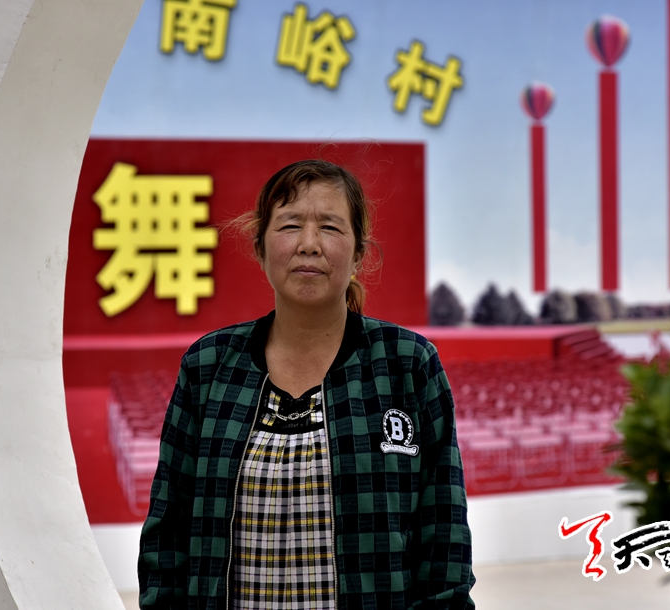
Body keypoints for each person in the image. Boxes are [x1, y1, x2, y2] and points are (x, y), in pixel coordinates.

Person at [138, 159, 476, 609]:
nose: (309, 245)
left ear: (359, 255)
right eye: (290, 225)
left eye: (330, 228)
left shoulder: (408, 365)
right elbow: (168, 532)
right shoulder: (208, 366)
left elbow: (445, 539)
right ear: (260, 249)